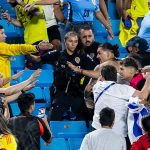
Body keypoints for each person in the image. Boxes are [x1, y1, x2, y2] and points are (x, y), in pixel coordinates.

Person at [29, 31, 95, 121]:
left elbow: (95, 70)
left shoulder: (83, 57)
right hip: (60, 94)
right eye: (70, 41)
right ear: (65, 41)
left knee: (86, 120)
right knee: (53, 120)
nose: (73, 44)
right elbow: (38, 59)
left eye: (75, 41)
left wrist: (90, 84)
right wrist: (26, 52)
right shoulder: (57, 54)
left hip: (77, 93)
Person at [92, 65, 150, 149]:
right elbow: (143, 96)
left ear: (102, 76)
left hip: (97, 130)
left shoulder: (96, 87)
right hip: (117, 133)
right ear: (116, 76)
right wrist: (148, 79)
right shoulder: (123, 89)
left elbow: (99, 81)